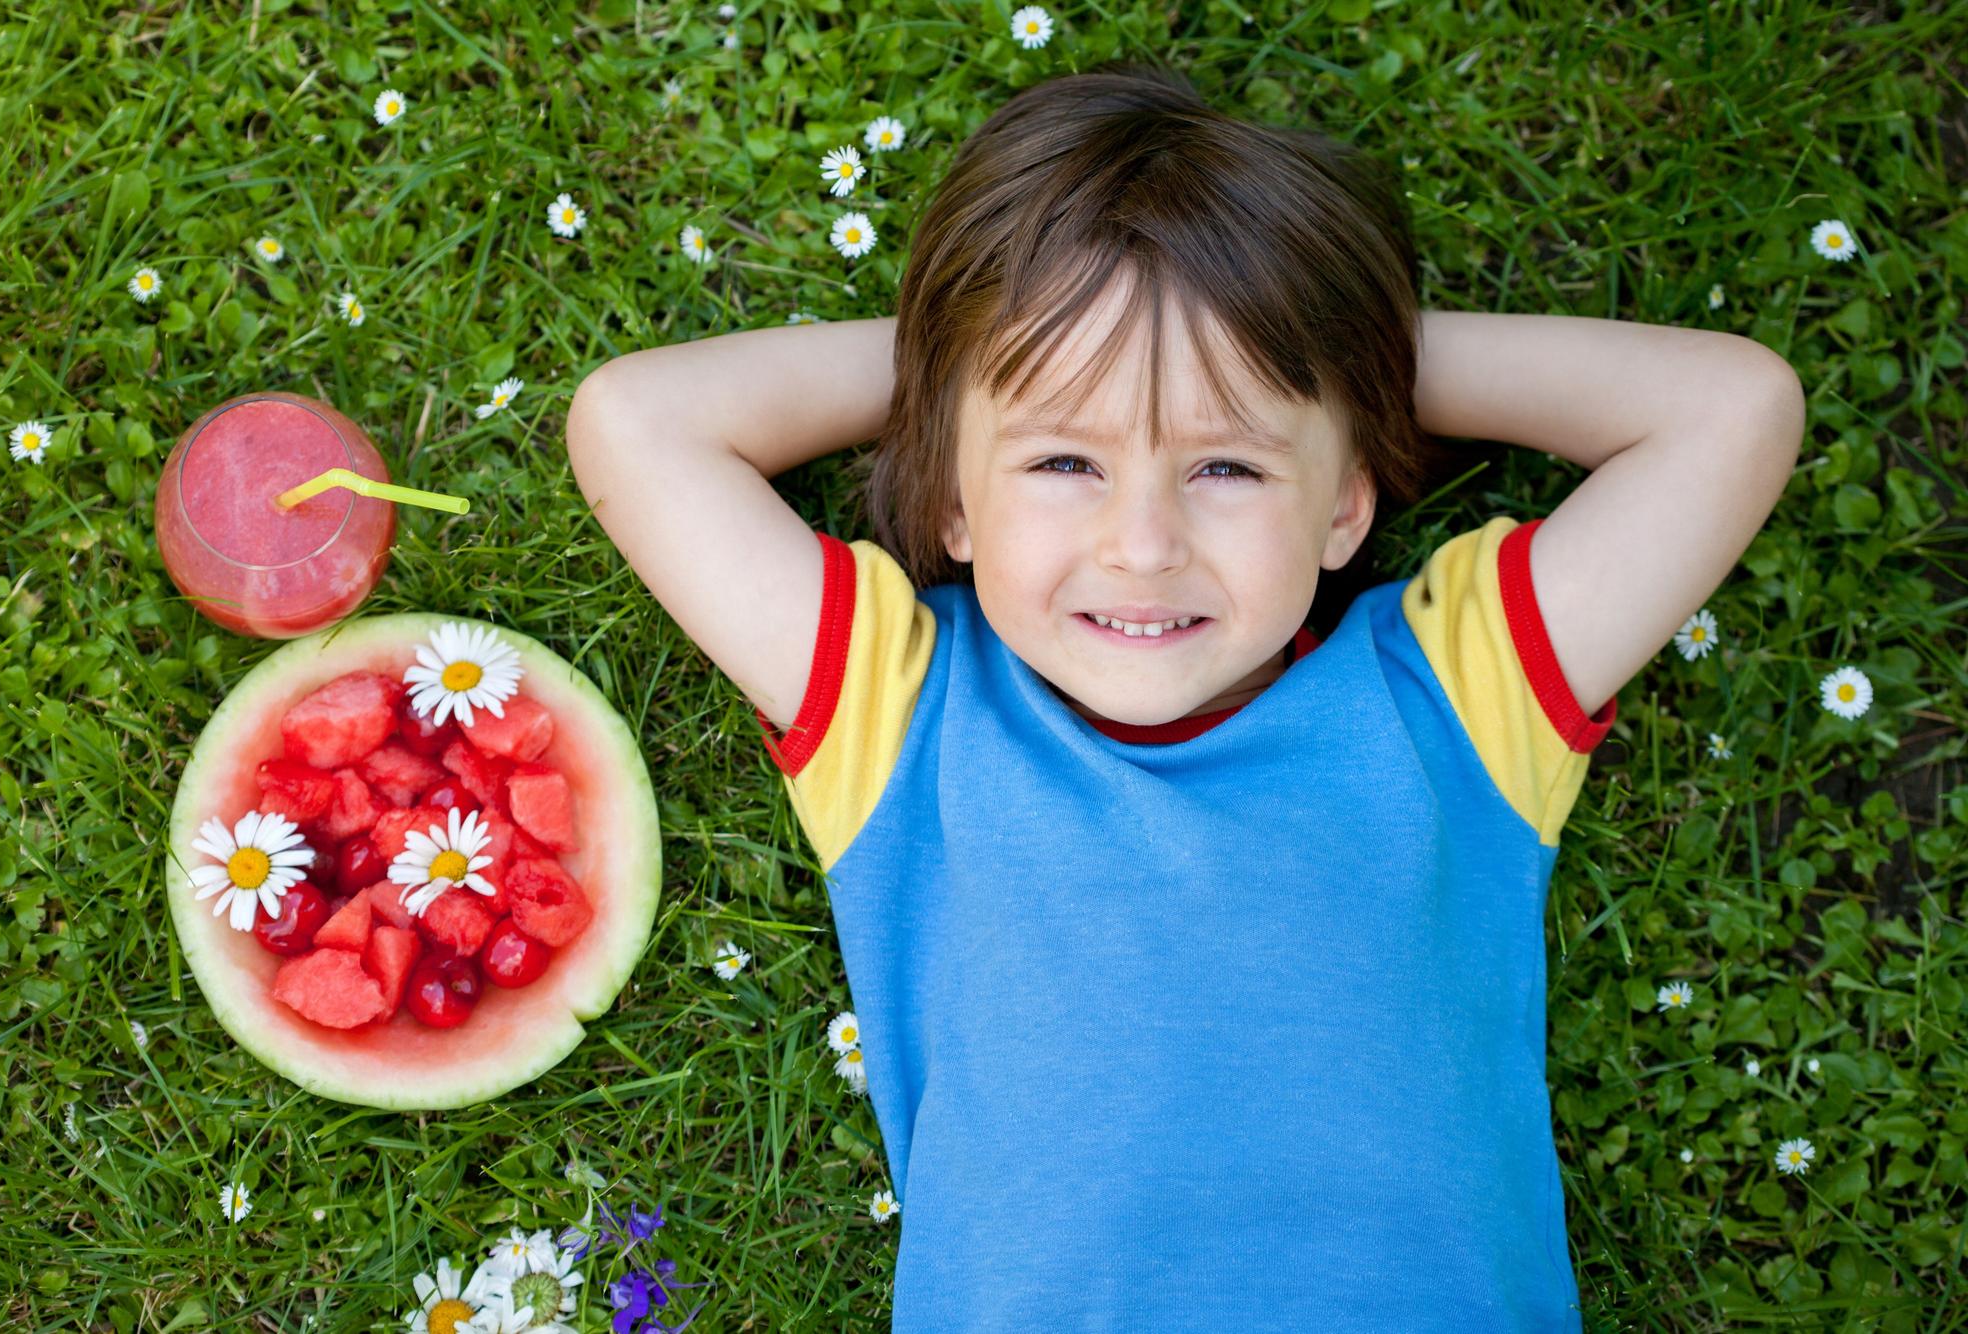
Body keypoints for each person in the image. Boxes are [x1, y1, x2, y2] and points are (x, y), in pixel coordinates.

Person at [565, 61, 1804, 1333]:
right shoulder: (908, 712)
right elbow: (633, 421)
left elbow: (1730, 409)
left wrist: (1316, 341)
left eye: (1224, 461)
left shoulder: (1454, 699)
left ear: (1342, 502)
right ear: (949, 497)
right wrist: (1008, 342)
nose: (1142, 541)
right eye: (1060, 458)